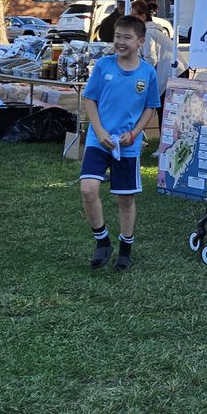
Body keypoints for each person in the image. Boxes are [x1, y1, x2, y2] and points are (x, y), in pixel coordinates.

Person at [79, 15, 161, 272]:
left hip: (127, 146)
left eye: (127, 37)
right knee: (88, 189)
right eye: (117, 36)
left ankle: (125, 248)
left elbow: (150, 107)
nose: (121, 42)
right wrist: (99, 131)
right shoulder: (104, 66)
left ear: (140, 41)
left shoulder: (147, 72)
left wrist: (134, 134)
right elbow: (89, 99)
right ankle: (102, 241)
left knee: (125, 199)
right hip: (99, 140)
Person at [129, 0, 174, 105]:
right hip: (172, 72)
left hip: (172, 73)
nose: (132, 19)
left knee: (162, 108)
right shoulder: (150, 30)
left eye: (134, 15)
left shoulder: (148, 32)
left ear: (143, 16)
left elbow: (151, 59)